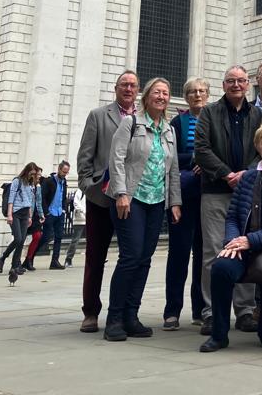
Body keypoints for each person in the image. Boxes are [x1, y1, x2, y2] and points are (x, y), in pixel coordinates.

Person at [200, 121, 262, 352]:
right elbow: (233, 216)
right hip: (246, 250)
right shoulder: (247, 178)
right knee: (221, 268)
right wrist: (233, 241)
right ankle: (218, 335)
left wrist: (251, 240)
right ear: (257, 146)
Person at [104, 77, 182, 342]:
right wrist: (121, 193)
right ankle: (114, 318)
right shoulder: (131, 123)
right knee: (130, 256)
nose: (161, 96)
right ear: (146, 97)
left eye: (166, 93)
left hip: (156, 200)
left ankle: (131, 316)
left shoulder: (169, 130)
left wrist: (175, 202)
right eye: (157, 92)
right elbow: (116, 160)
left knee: (145, 259)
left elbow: (173, 170)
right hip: (132, 198)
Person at [194, 64, 262, 336]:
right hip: (214, 191)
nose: (236, 85)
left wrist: (246, 174)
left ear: (248, 85)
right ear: (223, 85)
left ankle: (245, 310)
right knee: (213, 252)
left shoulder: (258, 114)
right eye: (231, 81)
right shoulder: (210, 112)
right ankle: (212, 312)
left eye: (241, 81)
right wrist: (225, 174)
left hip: (247, 192)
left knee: (243, 249)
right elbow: (201, 149)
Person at [77, 69, 139, 333]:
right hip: (102, 198)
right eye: (124, 85)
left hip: (132, 198)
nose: (128, 89)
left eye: (133, 85)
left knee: (132, 257)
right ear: (116, 89)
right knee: (95, 256)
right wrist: (88, 187)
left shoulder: (143, 118)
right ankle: (90, 312)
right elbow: (85, 156)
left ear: (137, 91)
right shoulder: (99, 116)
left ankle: (125, 311)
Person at [163, 76, 210, 330]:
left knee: (204, 255)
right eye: (192, 91)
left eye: (202, 91)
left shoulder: (213, 118)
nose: (197, 95)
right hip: (183, 194)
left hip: (208, 196)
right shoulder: (177, 122)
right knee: (179, 253)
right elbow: (169, 155)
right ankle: (172, 311)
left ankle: (200, 309)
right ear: (186, 96)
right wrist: (195, 158)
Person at [0, 163, 44, 276]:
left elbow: (29, 201)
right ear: (26, 171)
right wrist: (9, 215)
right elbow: (11, 198)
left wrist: (29, 216)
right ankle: (3, 257)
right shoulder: (17, 181)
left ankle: (14, 267)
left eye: (35, 174)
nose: (33, 176)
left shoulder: (30, 184)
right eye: (32, 173)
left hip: (25, 214)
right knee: (18, 239)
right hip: (16, 213)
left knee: (21, 240)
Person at [36, 160, 70, 269]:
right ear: (59, 169)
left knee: (59, 237)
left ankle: (54, 261)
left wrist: (64, 210)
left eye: (67, 172)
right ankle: (30, 256)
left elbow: (64, 197)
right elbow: (43, 198)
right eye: (64, 172)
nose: (65, 174)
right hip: (50, 213)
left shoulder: (64, 182)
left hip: (60, 213)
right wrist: (46, 212)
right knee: (46, 236)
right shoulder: (49, 181)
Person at [23, 166, 45, 271]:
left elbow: (39, 201)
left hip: (36, 215)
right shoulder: (28, 186)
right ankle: (16, 261)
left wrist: (41, 214)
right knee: (20, 239)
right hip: (27, 214)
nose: (39, 177)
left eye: (40, 175)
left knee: (37, 237)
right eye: (38, 175)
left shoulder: (39, 186)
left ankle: (28, 259)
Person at [65, 188, 86, 267]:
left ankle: (98, 258)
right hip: (79, 219)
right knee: (75, 240)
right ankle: (68, 259)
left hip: (90, 219)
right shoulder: (80, 191)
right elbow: (76, 203)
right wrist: (84, 212)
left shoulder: (92, 191)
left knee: (94, 240)